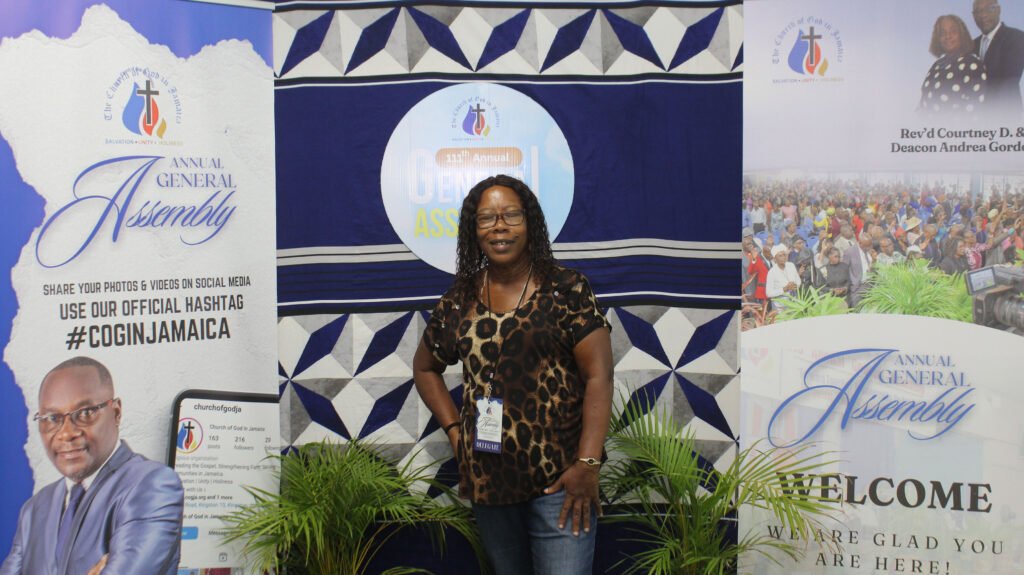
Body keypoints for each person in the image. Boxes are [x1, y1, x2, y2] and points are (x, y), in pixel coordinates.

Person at [413, 175, 613, 575]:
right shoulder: (459, 300)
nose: (499, 226)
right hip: (489, 482)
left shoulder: (566, 289)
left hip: (561, 482)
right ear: (474, 230)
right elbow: (424, 368)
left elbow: (599, 376)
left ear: (530, 223)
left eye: (510, 215)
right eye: (486, 218)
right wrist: (455, 432)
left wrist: (588, 464)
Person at [2, 357, 183, 575]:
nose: (67, 433)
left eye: (85, 413)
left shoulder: (152, 486)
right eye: (51, 418)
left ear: (116, 412)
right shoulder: (34, 509)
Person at [921, 14, 987, 116]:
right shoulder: (937, 65)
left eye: (953, 31)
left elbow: (974, 112)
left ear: (962, 35)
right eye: (943, 33)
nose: (948, 36)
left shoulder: (973, 65)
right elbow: (923, 105)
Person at [973, 0, 1024, 115]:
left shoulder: (1017, 37)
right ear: (973, 16)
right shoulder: (971, 46)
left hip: (1005, 116)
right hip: (976, 120)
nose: (983, 15)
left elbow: (1009, 79)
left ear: (999, 10)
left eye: (989, 9)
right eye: (978, 11)